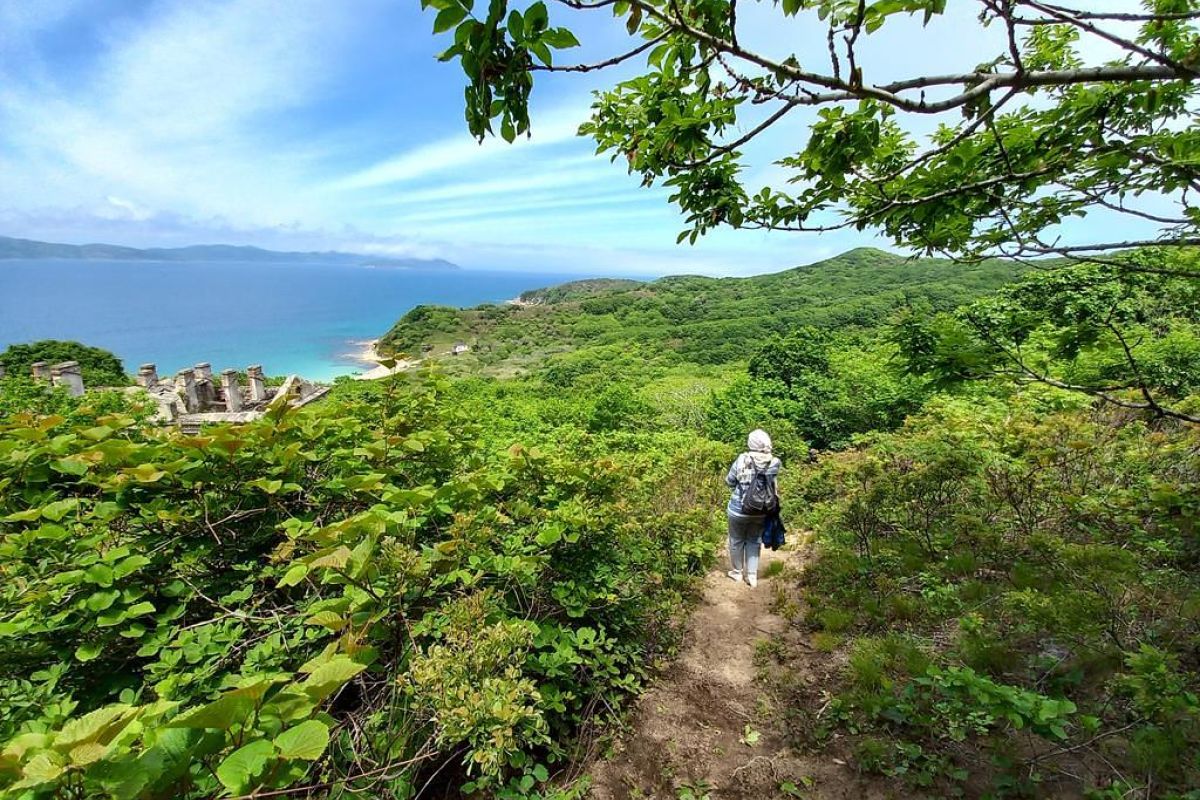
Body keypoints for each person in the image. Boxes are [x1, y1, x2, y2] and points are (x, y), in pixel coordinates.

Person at [724, 429, 781, 588]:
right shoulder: (775, 462)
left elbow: (729, 481)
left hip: (738, 509)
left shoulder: (742, 459)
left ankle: (737, 573)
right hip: (761, 510)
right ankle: (752, 576)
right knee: (754, 540)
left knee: (736, 540)